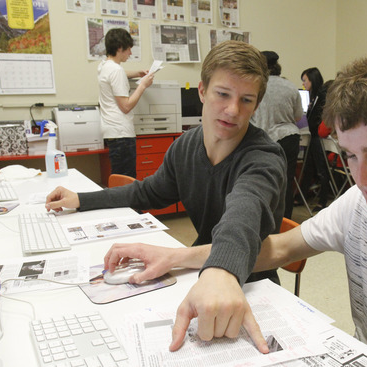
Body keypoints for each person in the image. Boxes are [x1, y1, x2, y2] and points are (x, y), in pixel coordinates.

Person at [147, 46, 367, 365]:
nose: (362, 178)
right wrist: (179, 259)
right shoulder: (360, 205)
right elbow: (280, 248)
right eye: (350, 156)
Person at [45, 40, 286, 353]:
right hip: (201, 276)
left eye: (246, 100)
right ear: (202, 91)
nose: (232, 110)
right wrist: (82, 198)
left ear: (256, 105)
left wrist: (220, 272)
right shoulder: (186, 147)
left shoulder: (264, 157)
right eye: (223, 94)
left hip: (249, 285)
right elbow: (146, 192)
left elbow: (242, 216)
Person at [250, 50, 303, 218]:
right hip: (289, 138)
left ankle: (263, 218)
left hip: (264, 139)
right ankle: (284, 220)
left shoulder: (256, 86)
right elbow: (298, 116)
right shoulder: (290, 86)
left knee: (262, 180)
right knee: (286, 182)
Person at [98, 28, 154, 178]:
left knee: (118, 177)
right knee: (126, 180)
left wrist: (136, 73)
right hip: (121, 132)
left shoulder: (104, 66)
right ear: (119, 48)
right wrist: (143, 85)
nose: (130, 53)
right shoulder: (116, 71)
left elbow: (115, 74)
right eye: (128, 49)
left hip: (112, 131)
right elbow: (126, 106)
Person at [296, 69, 332, 212]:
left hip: (318, 137)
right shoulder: (313, 96)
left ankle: (323, 200)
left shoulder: (322, 95)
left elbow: (320, 117)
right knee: (309, 168)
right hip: (313, 135)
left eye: (305, 80)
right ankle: (301, 196)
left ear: (312, 80)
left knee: (321, 169)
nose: (303, 84)